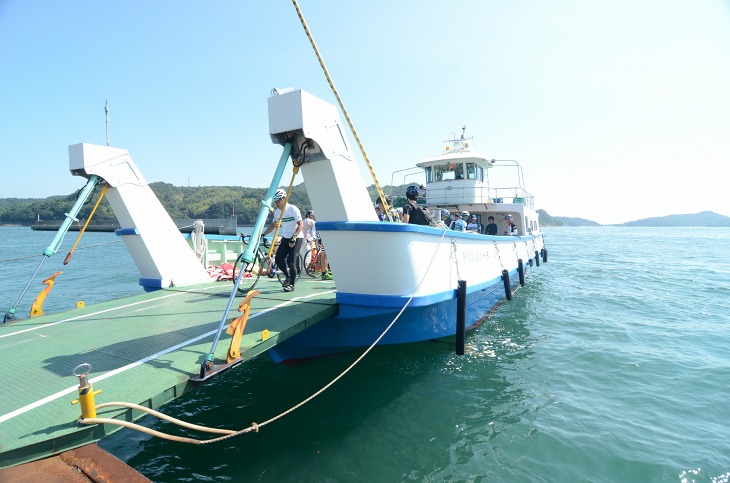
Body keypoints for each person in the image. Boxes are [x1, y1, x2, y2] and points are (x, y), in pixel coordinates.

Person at [262, 189, 304, 292]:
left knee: (291, 261)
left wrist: (294, 236)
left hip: (296, 237)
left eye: (277, 201)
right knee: (278, 259)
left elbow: (300, 224)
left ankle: (291, 285)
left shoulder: (292, 209)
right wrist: (263, 234)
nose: (276, 203)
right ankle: (287, 276)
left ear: (284, 199)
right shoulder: (277, 212)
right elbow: (273, 225)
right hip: (285, 238)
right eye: (275, 201)